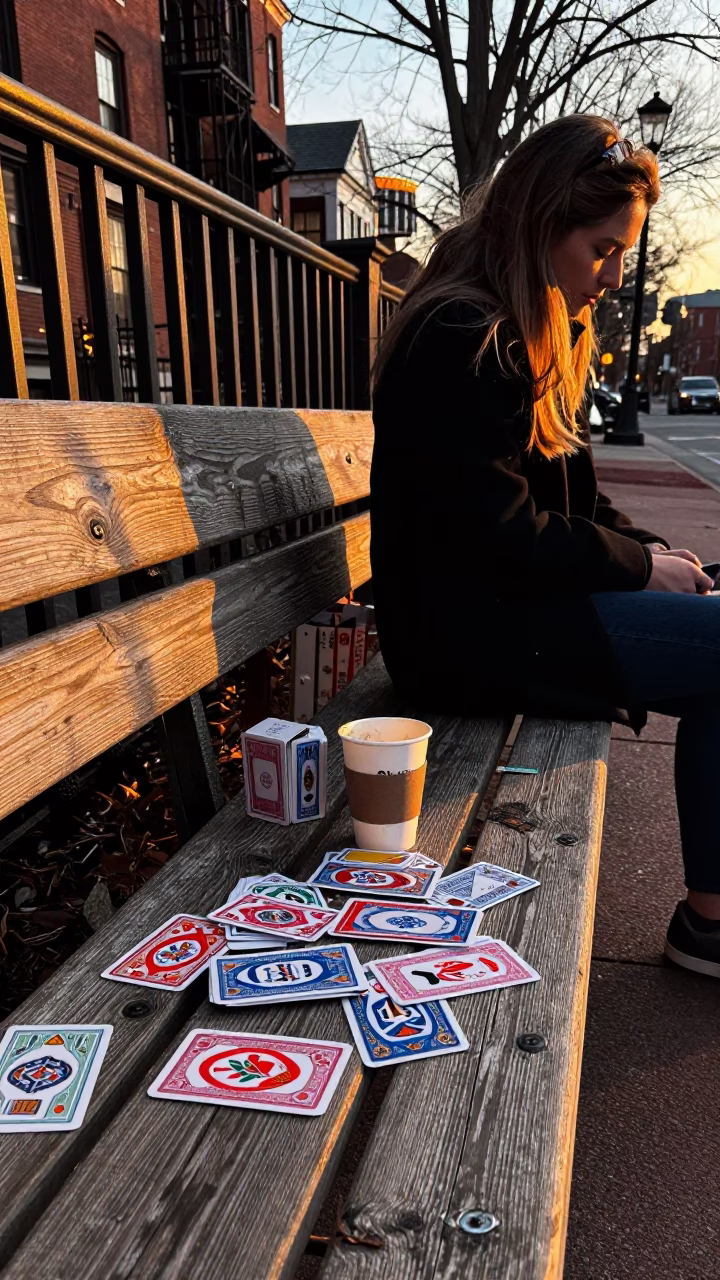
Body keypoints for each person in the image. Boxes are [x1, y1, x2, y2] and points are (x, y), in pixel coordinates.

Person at [370, 113, 720, 978]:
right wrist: (643, 569)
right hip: (465, 636)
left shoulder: (535, 322)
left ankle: (712, 915)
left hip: (508, 609)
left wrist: (664, 558)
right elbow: (496, 530)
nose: (613, 274)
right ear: (540, 226)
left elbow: (574, 496)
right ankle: (710, 926)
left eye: (621, 254)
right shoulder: (464, 335)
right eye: (602, 249)